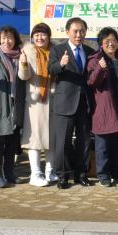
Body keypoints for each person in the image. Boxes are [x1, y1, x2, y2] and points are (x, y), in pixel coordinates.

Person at [49, 17, 95, 189]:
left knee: (83, 142)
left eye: (82, 31)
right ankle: (62, 175)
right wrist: (61, 64)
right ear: (67, 32)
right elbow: (50, 69)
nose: (79, 34)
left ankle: (81, 174)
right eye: (75, 31)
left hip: (84, 103)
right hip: (64, 102)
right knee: (63, 142)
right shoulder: (58, 50)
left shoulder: (90, 51)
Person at [0, 25, 27, 189]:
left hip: (16, 105)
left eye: (10, 38)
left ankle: (9, 172)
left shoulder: (21, 56)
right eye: (3, 38)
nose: (6, 41)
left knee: (11, 144)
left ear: (15, 39)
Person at [86, 27, 118, 187]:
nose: (111, 43)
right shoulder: (94, 59)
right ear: (101, 44)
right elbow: (91, 82)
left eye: (113, 40)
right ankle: (103, 175)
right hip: (103, 108)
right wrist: (101, 69)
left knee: (116, 145)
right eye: (107, 41)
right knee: (102, 146)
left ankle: (116, 172)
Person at [20, 23, 53, 187]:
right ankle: (35, 173)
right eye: (37, 35)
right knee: (35, 138)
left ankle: (50, 170)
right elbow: (23, 76)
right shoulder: (27, 51)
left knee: (51, 137)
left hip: (52, 99)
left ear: (49, 36)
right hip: (35, 101)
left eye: (43, 34)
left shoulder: (56, 52)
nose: (40, 38)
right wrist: (24, 64)